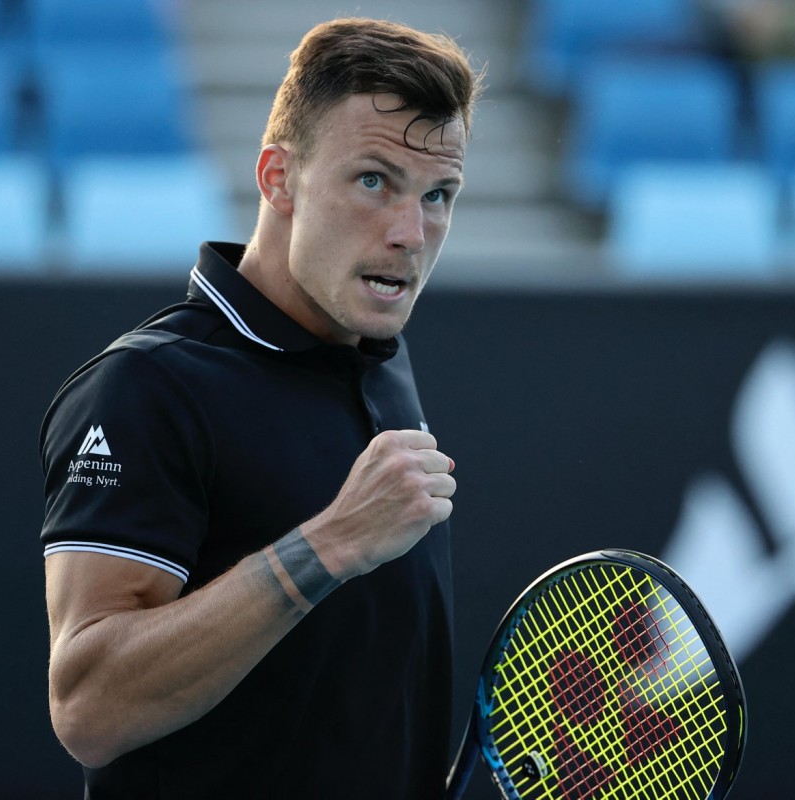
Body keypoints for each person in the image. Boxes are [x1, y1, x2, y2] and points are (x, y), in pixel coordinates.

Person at [39, 17, 483, 798]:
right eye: (373, 181)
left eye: (437, 194)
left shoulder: (380, 359)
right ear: (279, 179)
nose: (411, 233)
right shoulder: (145, 386)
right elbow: (88, 707)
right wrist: (330, 544)